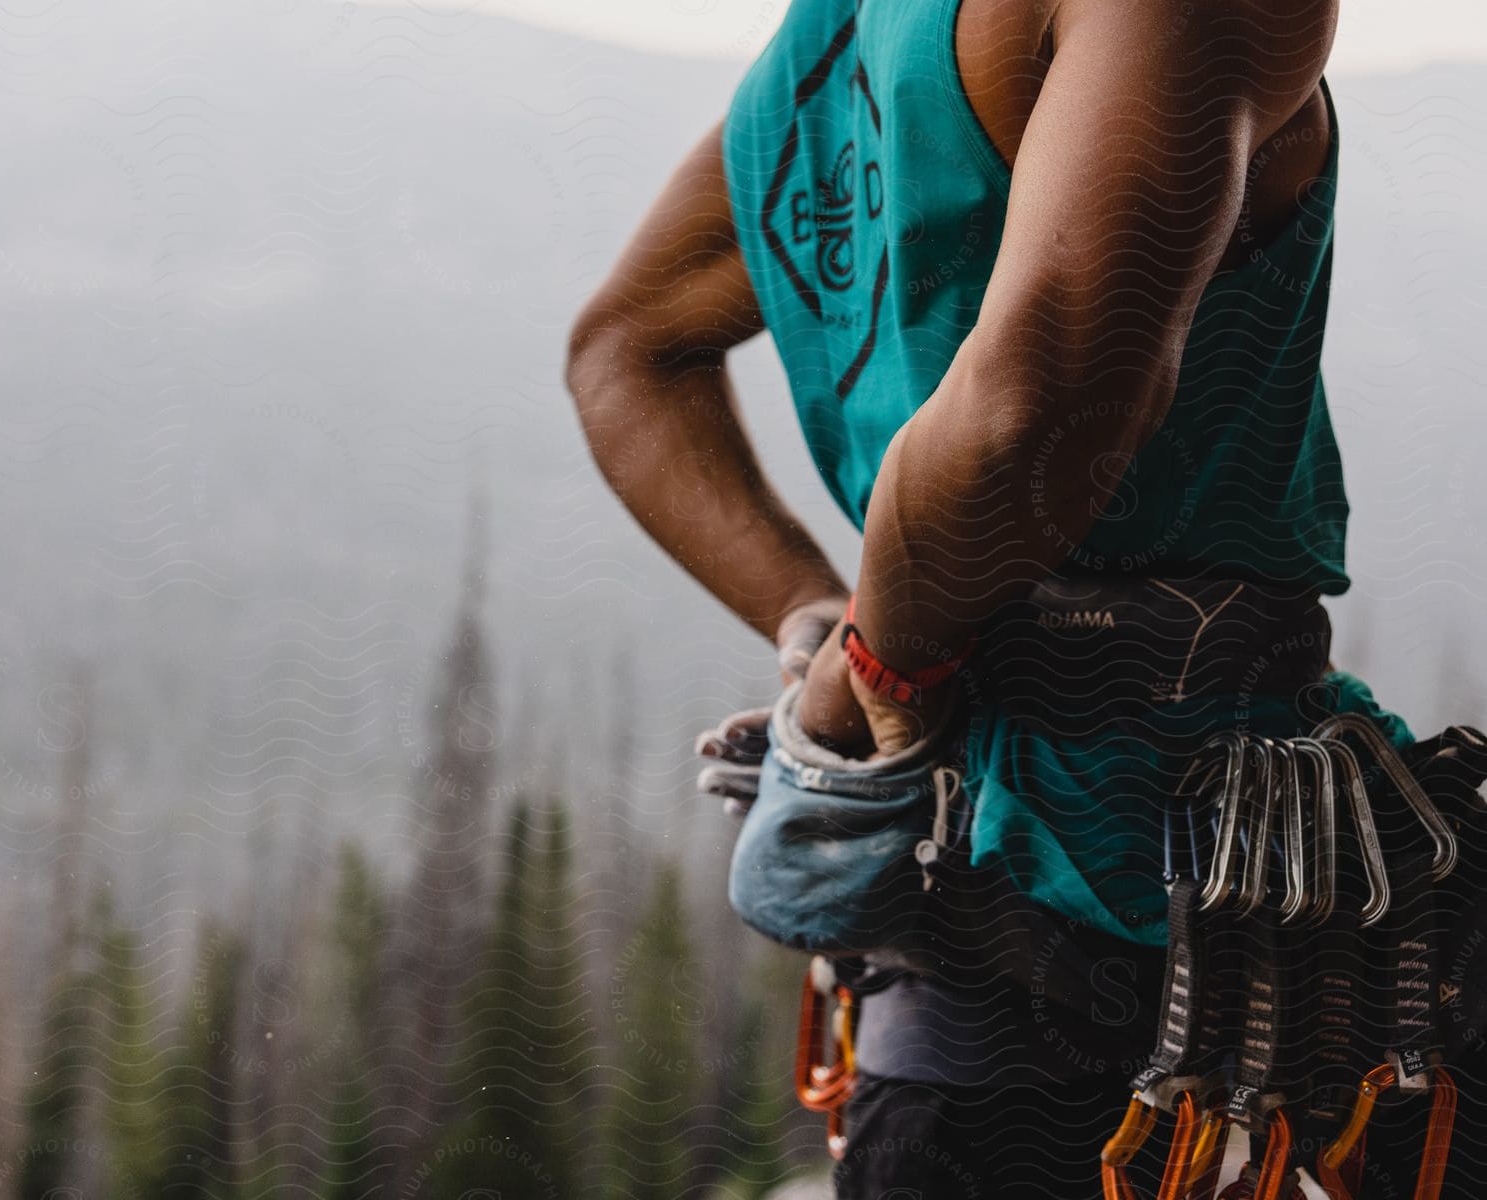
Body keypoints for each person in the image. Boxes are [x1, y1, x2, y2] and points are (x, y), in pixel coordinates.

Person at [566, 0, 1437, 1195]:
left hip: (964, 998)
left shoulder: (835, 45)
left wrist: (823, 627)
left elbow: (627, 349)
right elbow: (1031, 412)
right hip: (1158, 965)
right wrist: (862, 667)